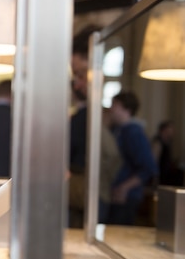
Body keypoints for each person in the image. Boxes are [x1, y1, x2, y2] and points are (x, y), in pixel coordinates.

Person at [68, 25, 120, 226]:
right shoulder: (87, 115)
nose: (78, 84)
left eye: (81, 75)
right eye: (76, 77)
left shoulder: (101, 117)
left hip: (95, 197)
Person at [108, 91, 158, 225]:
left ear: (127, 110)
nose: (111, 109)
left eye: (115, 105)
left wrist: (124, 188)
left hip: (127, 195)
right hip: (115, 192)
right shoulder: (118, 130)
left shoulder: (134, 132)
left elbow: (148, 167)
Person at [152, 120, 184, 187]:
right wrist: (155, 178)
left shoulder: (167, 143)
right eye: (171, 129)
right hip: (161, 177)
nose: (173, 132)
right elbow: (154, 161)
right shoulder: (158, 143)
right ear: (165, 130)